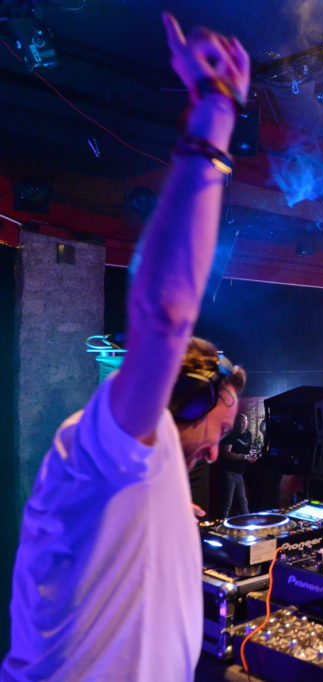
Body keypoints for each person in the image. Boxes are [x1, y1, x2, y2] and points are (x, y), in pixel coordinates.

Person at [3, 16, 250, 679]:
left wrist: (163, 515)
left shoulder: (133, 463)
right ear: (184, 400)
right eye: (220, 430)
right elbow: (165, 313)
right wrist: (215, 110)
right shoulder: (113, 442)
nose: (216, 452)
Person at [218, 413, 253, 517]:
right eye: (239, 422)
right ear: (235, 423)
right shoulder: (229, 434)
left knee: (243, 503)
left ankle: (246, 524)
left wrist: (251, 455)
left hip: (240, 473)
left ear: (247, 423)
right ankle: (221, 525)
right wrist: (245, 457)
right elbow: (226, 453)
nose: (242, 424)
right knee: (227, 503)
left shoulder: (248, 434)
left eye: (244, 422)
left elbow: (247, 449)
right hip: (229, 472)